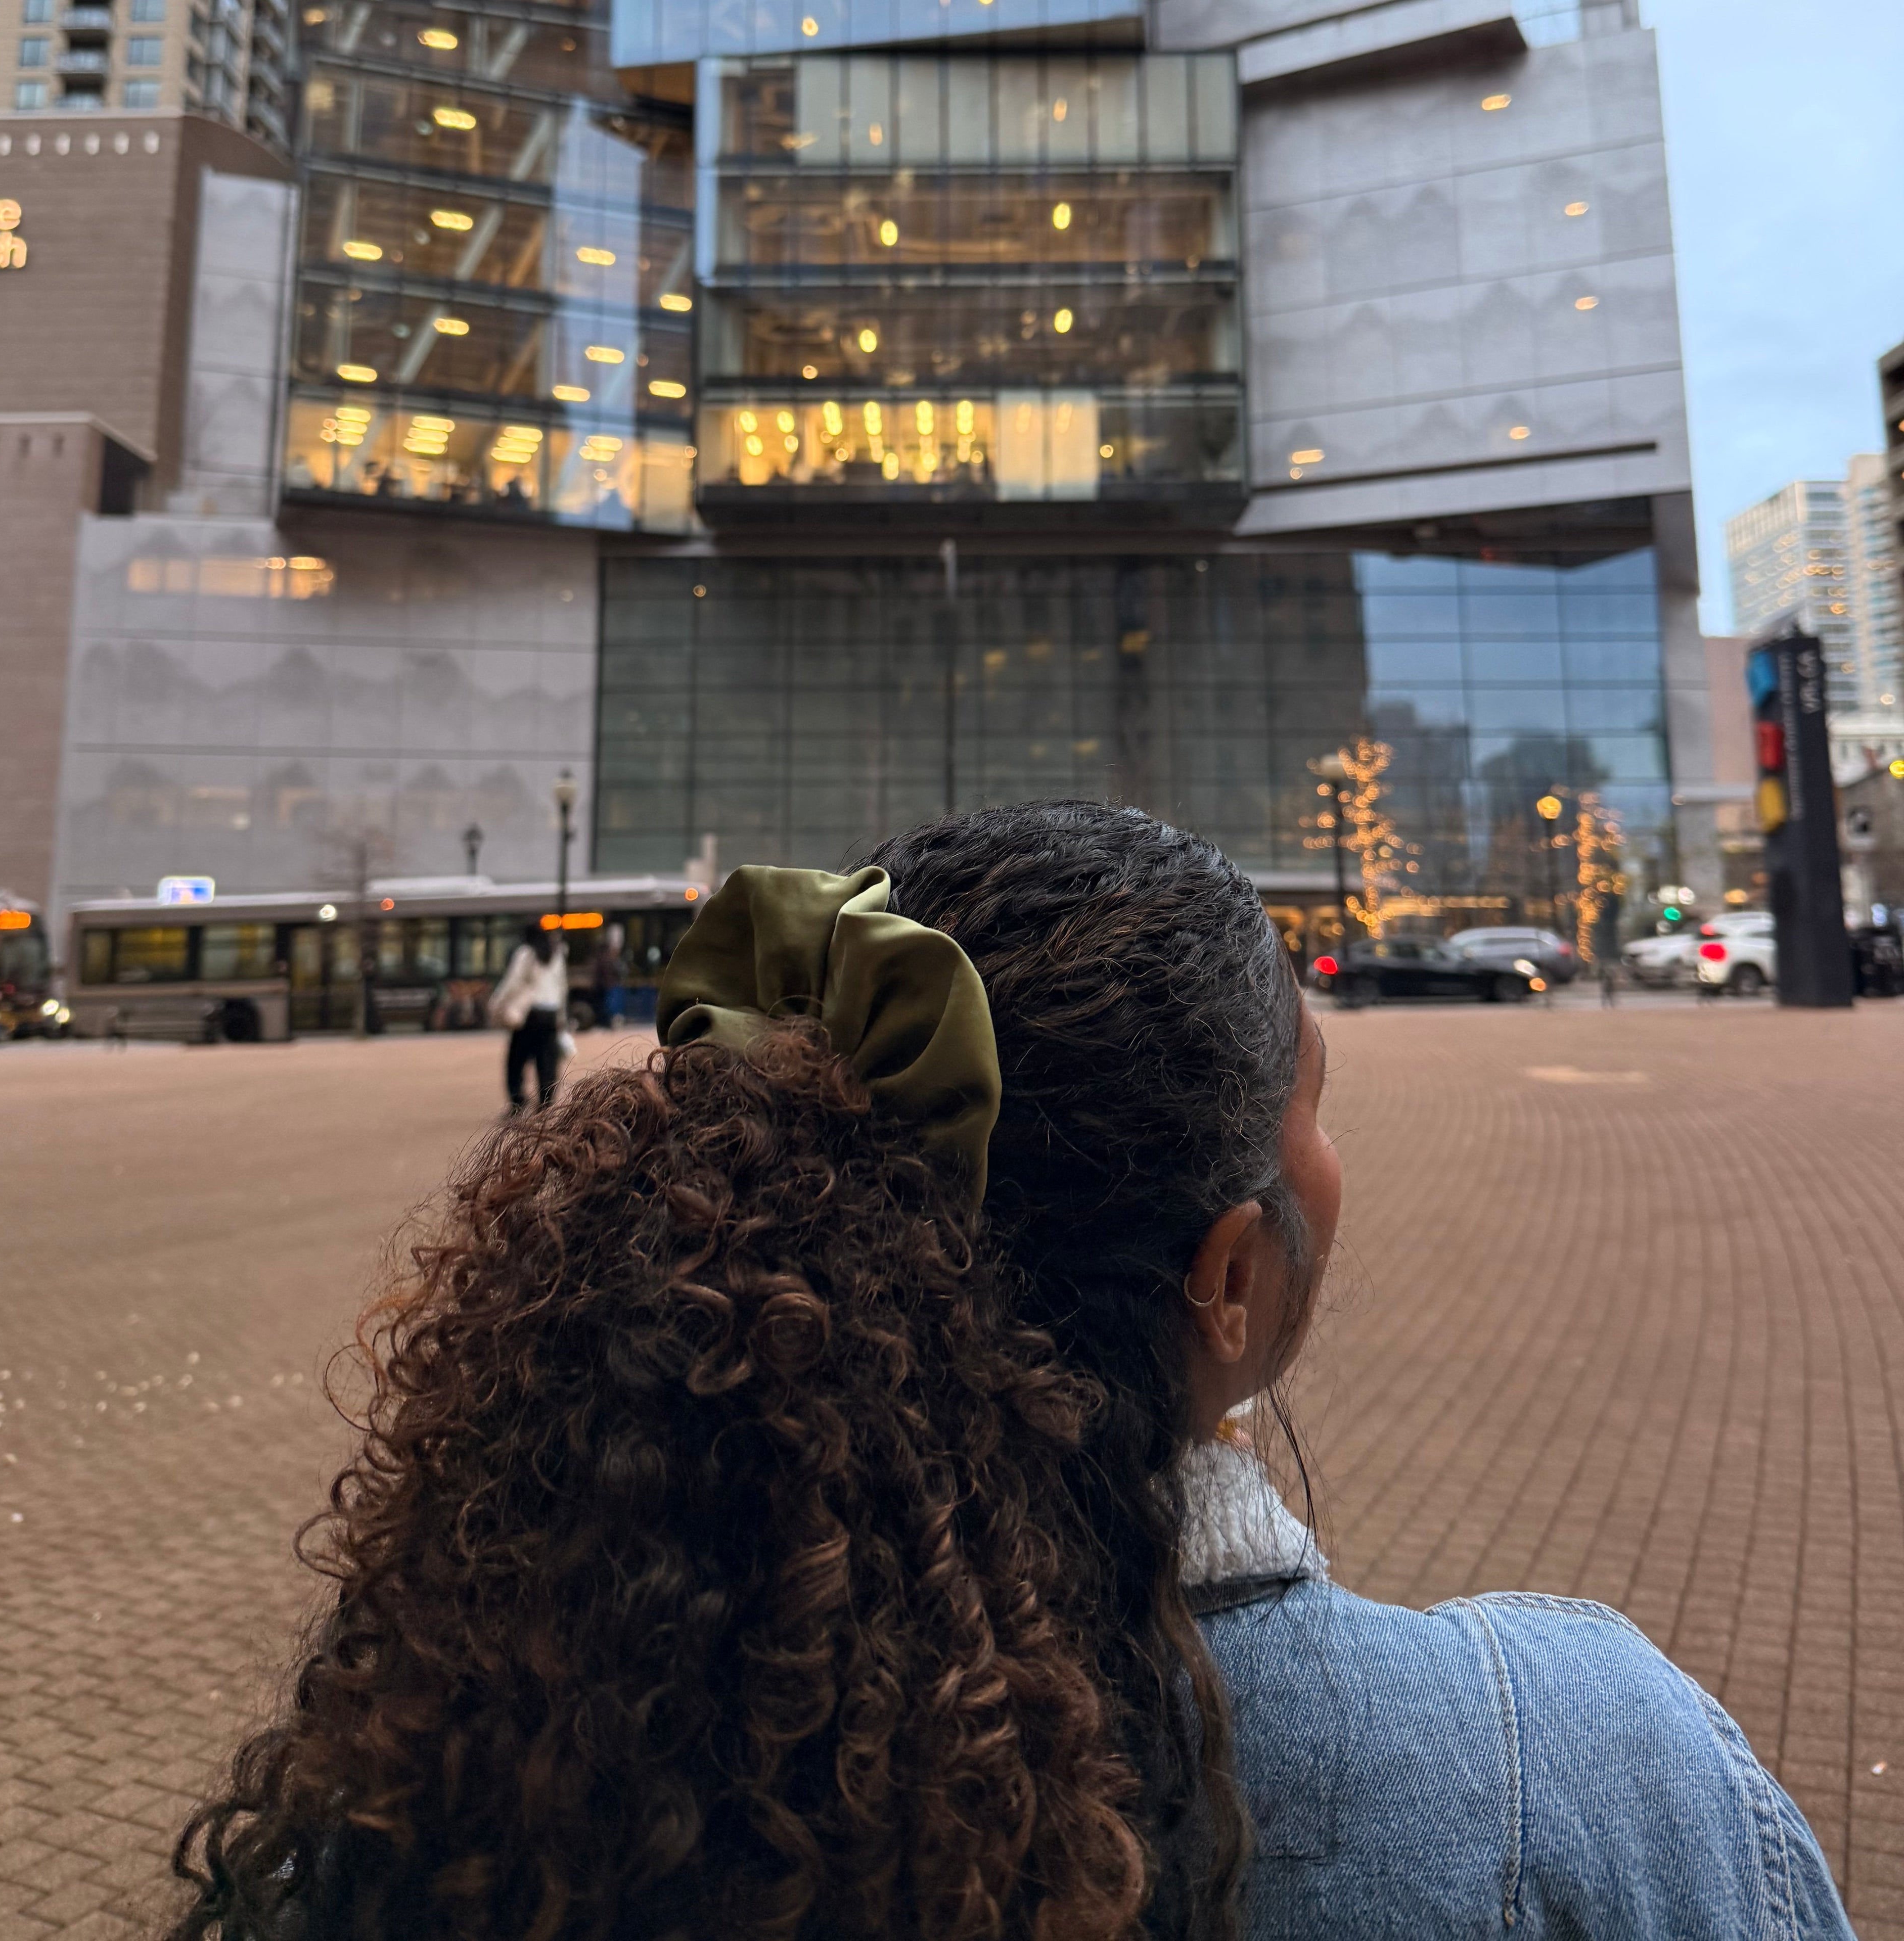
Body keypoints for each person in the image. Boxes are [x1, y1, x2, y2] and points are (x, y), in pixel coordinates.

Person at [166, 803, 1852, 1941]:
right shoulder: (1590, 1775)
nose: (1330, 1155)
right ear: (1228, 1281)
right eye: (1315, 1106)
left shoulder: (447, 1778)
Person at [486, 919, 566, 1112]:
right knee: (547, 1061)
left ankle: (518, 1101)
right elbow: (562, 987)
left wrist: (496, 1003)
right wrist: (561, 1015)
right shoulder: (556, 955)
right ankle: (546, 1103)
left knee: (516, 1060)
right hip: (550, 1014)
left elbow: (512, 983)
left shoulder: (526, 954)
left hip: (530, 1015)